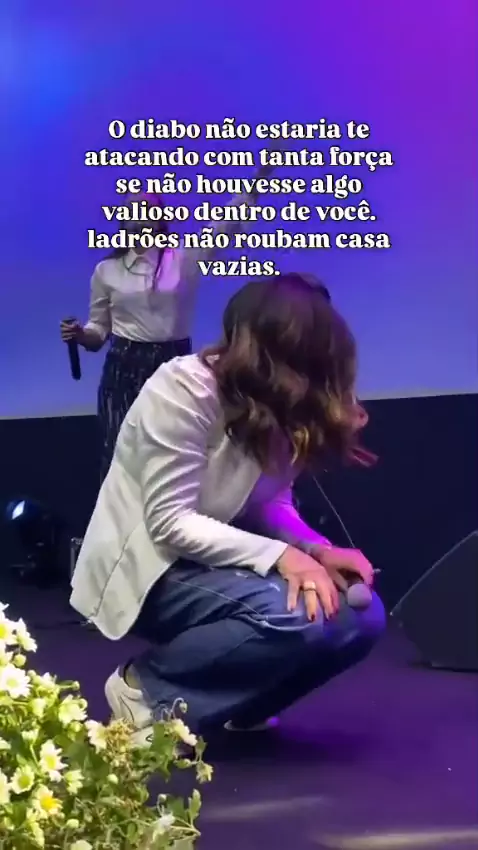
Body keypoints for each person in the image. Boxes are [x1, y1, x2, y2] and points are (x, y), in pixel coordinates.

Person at [70, 273, 386, 745]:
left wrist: (316, 549)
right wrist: (284, 557)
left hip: (218, 560)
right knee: (293, 614)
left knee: (360, 618)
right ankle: (145, 688)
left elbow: (270, 503)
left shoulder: (280, 402)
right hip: (151, 566)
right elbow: (170, 522)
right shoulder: (182, 387)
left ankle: (241, 707)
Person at [60, 163, 274, 481]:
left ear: (161, 217)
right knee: (121, 454)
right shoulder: (108, 270)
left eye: (148, 207)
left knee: (174, 454)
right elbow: (99, 331)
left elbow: (230, 220)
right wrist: (80, 334)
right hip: (124, 366)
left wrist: (262, 175)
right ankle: (119, 515)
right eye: (133, 207)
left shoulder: (184, 259)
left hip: (172, 363)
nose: (140, 213)